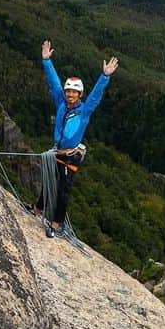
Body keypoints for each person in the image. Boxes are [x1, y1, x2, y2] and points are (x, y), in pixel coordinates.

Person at [37, 39, 118, 238]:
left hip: (70, 156)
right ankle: (37, 209)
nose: (70, 94)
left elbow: (96, 96)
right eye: (68, 91)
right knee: (49, 179)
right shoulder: (61, 102)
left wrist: (105, 76)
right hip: (58, 151)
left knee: (63, 190)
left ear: (80, 94)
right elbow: (54, 82)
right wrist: (47, 61)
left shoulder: (84, 111)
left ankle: (57, 223)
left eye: (74, 92)